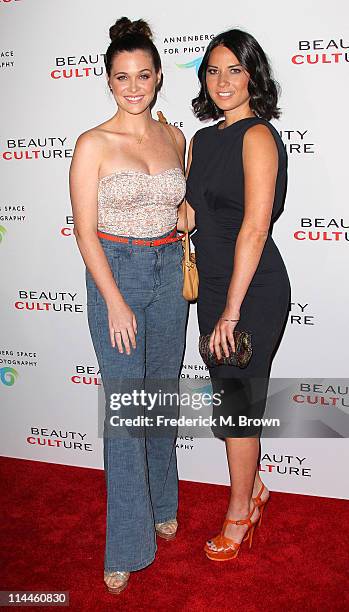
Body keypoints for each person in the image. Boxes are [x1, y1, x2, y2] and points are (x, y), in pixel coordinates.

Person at [69, 17, 188, 593]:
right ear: (108, 80)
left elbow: (178, 206)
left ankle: (164, 503)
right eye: (123, 77)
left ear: (159, 76)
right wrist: (114, 301)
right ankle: (126, 545)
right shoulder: (92, 143)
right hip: (116, 274)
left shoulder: (174, 137)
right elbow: (85, 233)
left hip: (169, 276)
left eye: (144, 75)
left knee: (160, 400)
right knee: (125, 417)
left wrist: (184, 214)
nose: (134, 86)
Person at [185, 28, 291, 561]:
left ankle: (239, 510)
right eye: (213, 70)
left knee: (237, 404)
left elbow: (254, 227)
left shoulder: (258, 137)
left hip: (251, 291)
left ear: (253, 75)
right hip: (214, 292)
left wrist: (230, 311)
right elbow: (191, 213)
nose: (222, 81)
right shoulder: (202, 141)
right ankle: (256, 489)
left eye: (234, 69)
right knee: (230, 401)